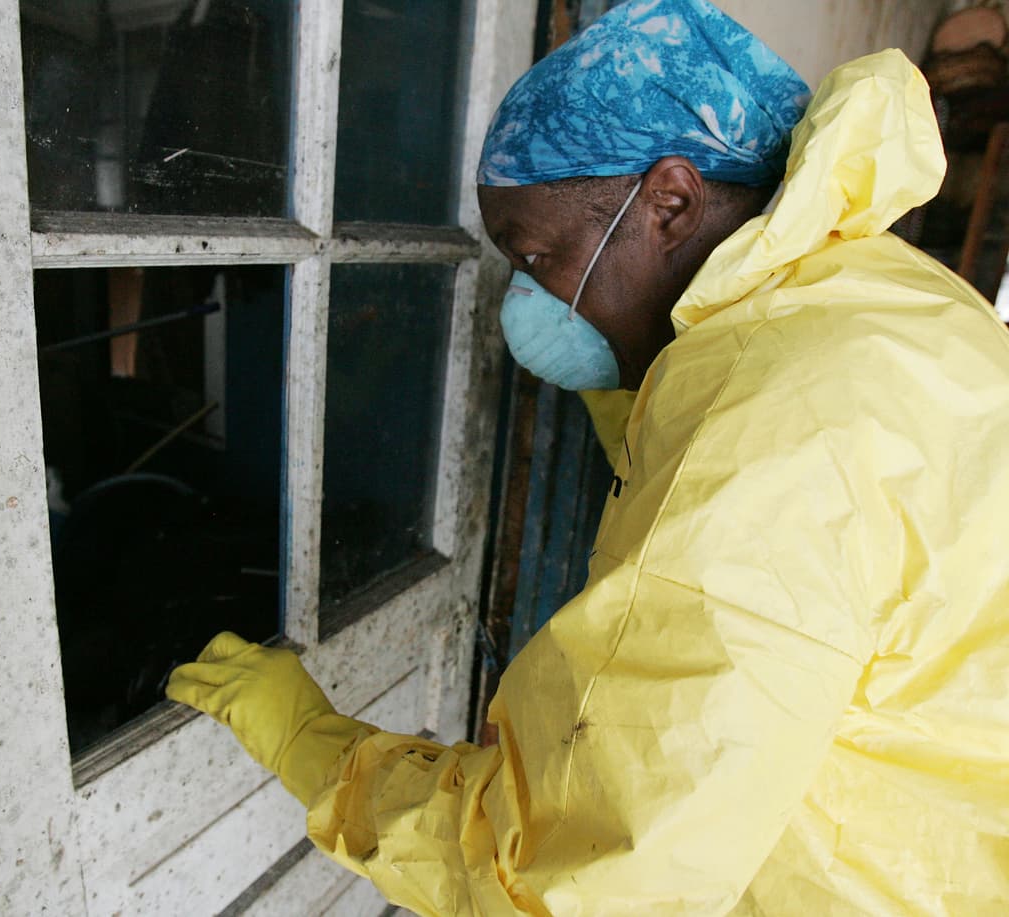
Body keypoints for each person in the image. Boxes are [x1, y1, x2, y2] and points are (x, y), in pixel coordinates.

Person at [168, 1, 1009, 913]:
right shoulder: (884, 298)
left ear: (672, 202)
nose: (527, 300)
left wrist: (310, 742)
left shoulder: (765, 447)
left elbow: (574, 873)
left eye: (537, 256)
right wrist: (635, 388)